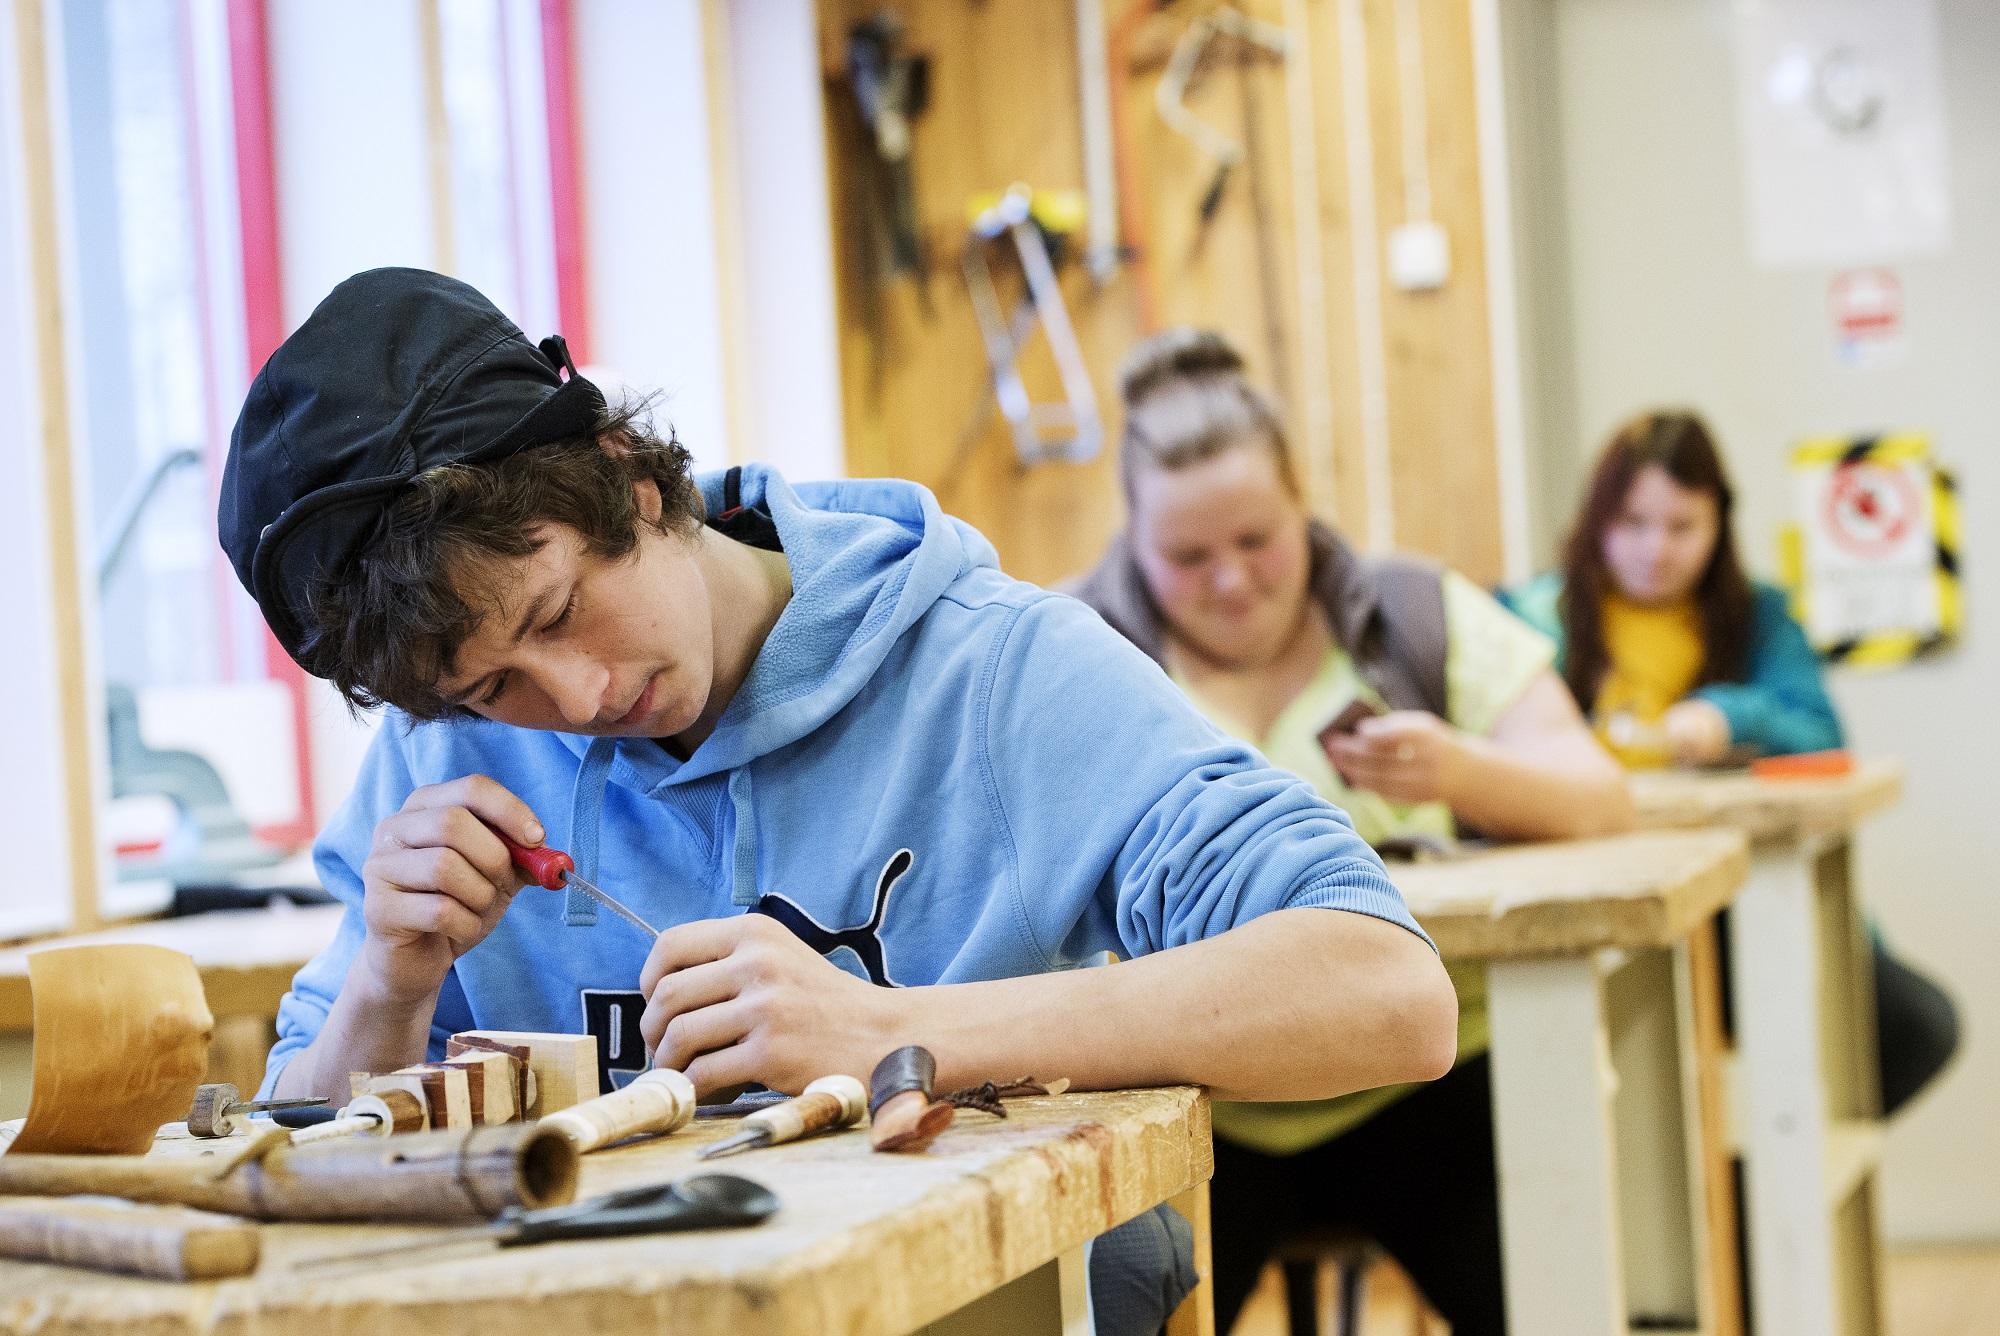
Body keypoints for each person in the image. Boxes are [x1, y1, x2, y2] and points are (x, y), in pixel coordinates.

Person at [219, 270, 1458, 1335]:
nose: (579, 694)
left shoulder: (992, 673)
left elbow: (1385, 994)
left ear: (627, 479)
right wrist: (390, 984)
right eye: (492, 684)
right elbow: (294, 1146)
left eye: (555, 611)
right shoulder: (451, 756)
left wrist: (897, 1032)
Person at [1068, 329, 1634, 1334]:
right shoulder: (1069, 654)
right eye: (1187, 557)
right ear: (1131, 542)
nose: (1231, 580)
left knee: (1569, 1293)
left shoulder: (1413, 613)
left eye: (1256, 540)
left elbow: (1597, 793)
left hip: (1427, 1080)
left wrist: (1462, 770)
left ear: (1303, 507)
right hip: (1192, 1104)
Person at [1504, 408, 1959, 1116]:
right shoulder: (1534, 617)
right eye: (1632, 523)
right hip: (1594, 911)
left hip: (1745, 901)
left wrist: (1731, 716)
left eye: (1683, 526)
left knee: (1914, 1029)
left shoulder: (1760, 615)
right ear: (1596, 522)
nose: (1656, 549)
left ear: (1719, 525)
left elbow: (1823, 738)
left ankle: (1753, 1214)